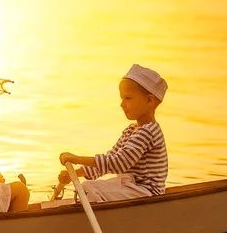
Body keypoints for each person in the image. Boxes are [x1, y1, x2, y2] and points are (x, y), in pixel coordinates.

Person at [58, 64, 168, 203]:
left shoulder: (148, 132)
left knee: (88, 189)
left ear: (149, 101)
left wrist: (77, 159)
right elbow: (110, 158)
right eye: (122, 98)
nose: (122, 104)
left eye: (128, 98)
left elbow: (118, 163)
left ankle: (102, 218)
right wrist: (75, 173)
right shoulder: (131, 130)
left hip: (146, 192)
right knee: (87, 188)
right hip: (130, 187)